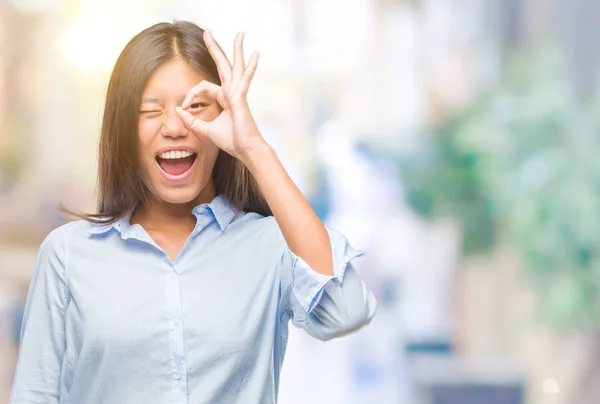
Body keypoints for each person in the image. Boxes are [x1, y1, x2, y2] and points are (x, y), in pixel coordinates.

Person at [9, 20, 377, 404]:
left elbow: (348, 310)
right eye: (149, 110)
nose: (174, 127)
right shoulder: (68, 255)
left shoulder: (270, 245)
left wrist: (255, 150)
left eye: (196, 107)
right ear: (122, 128)